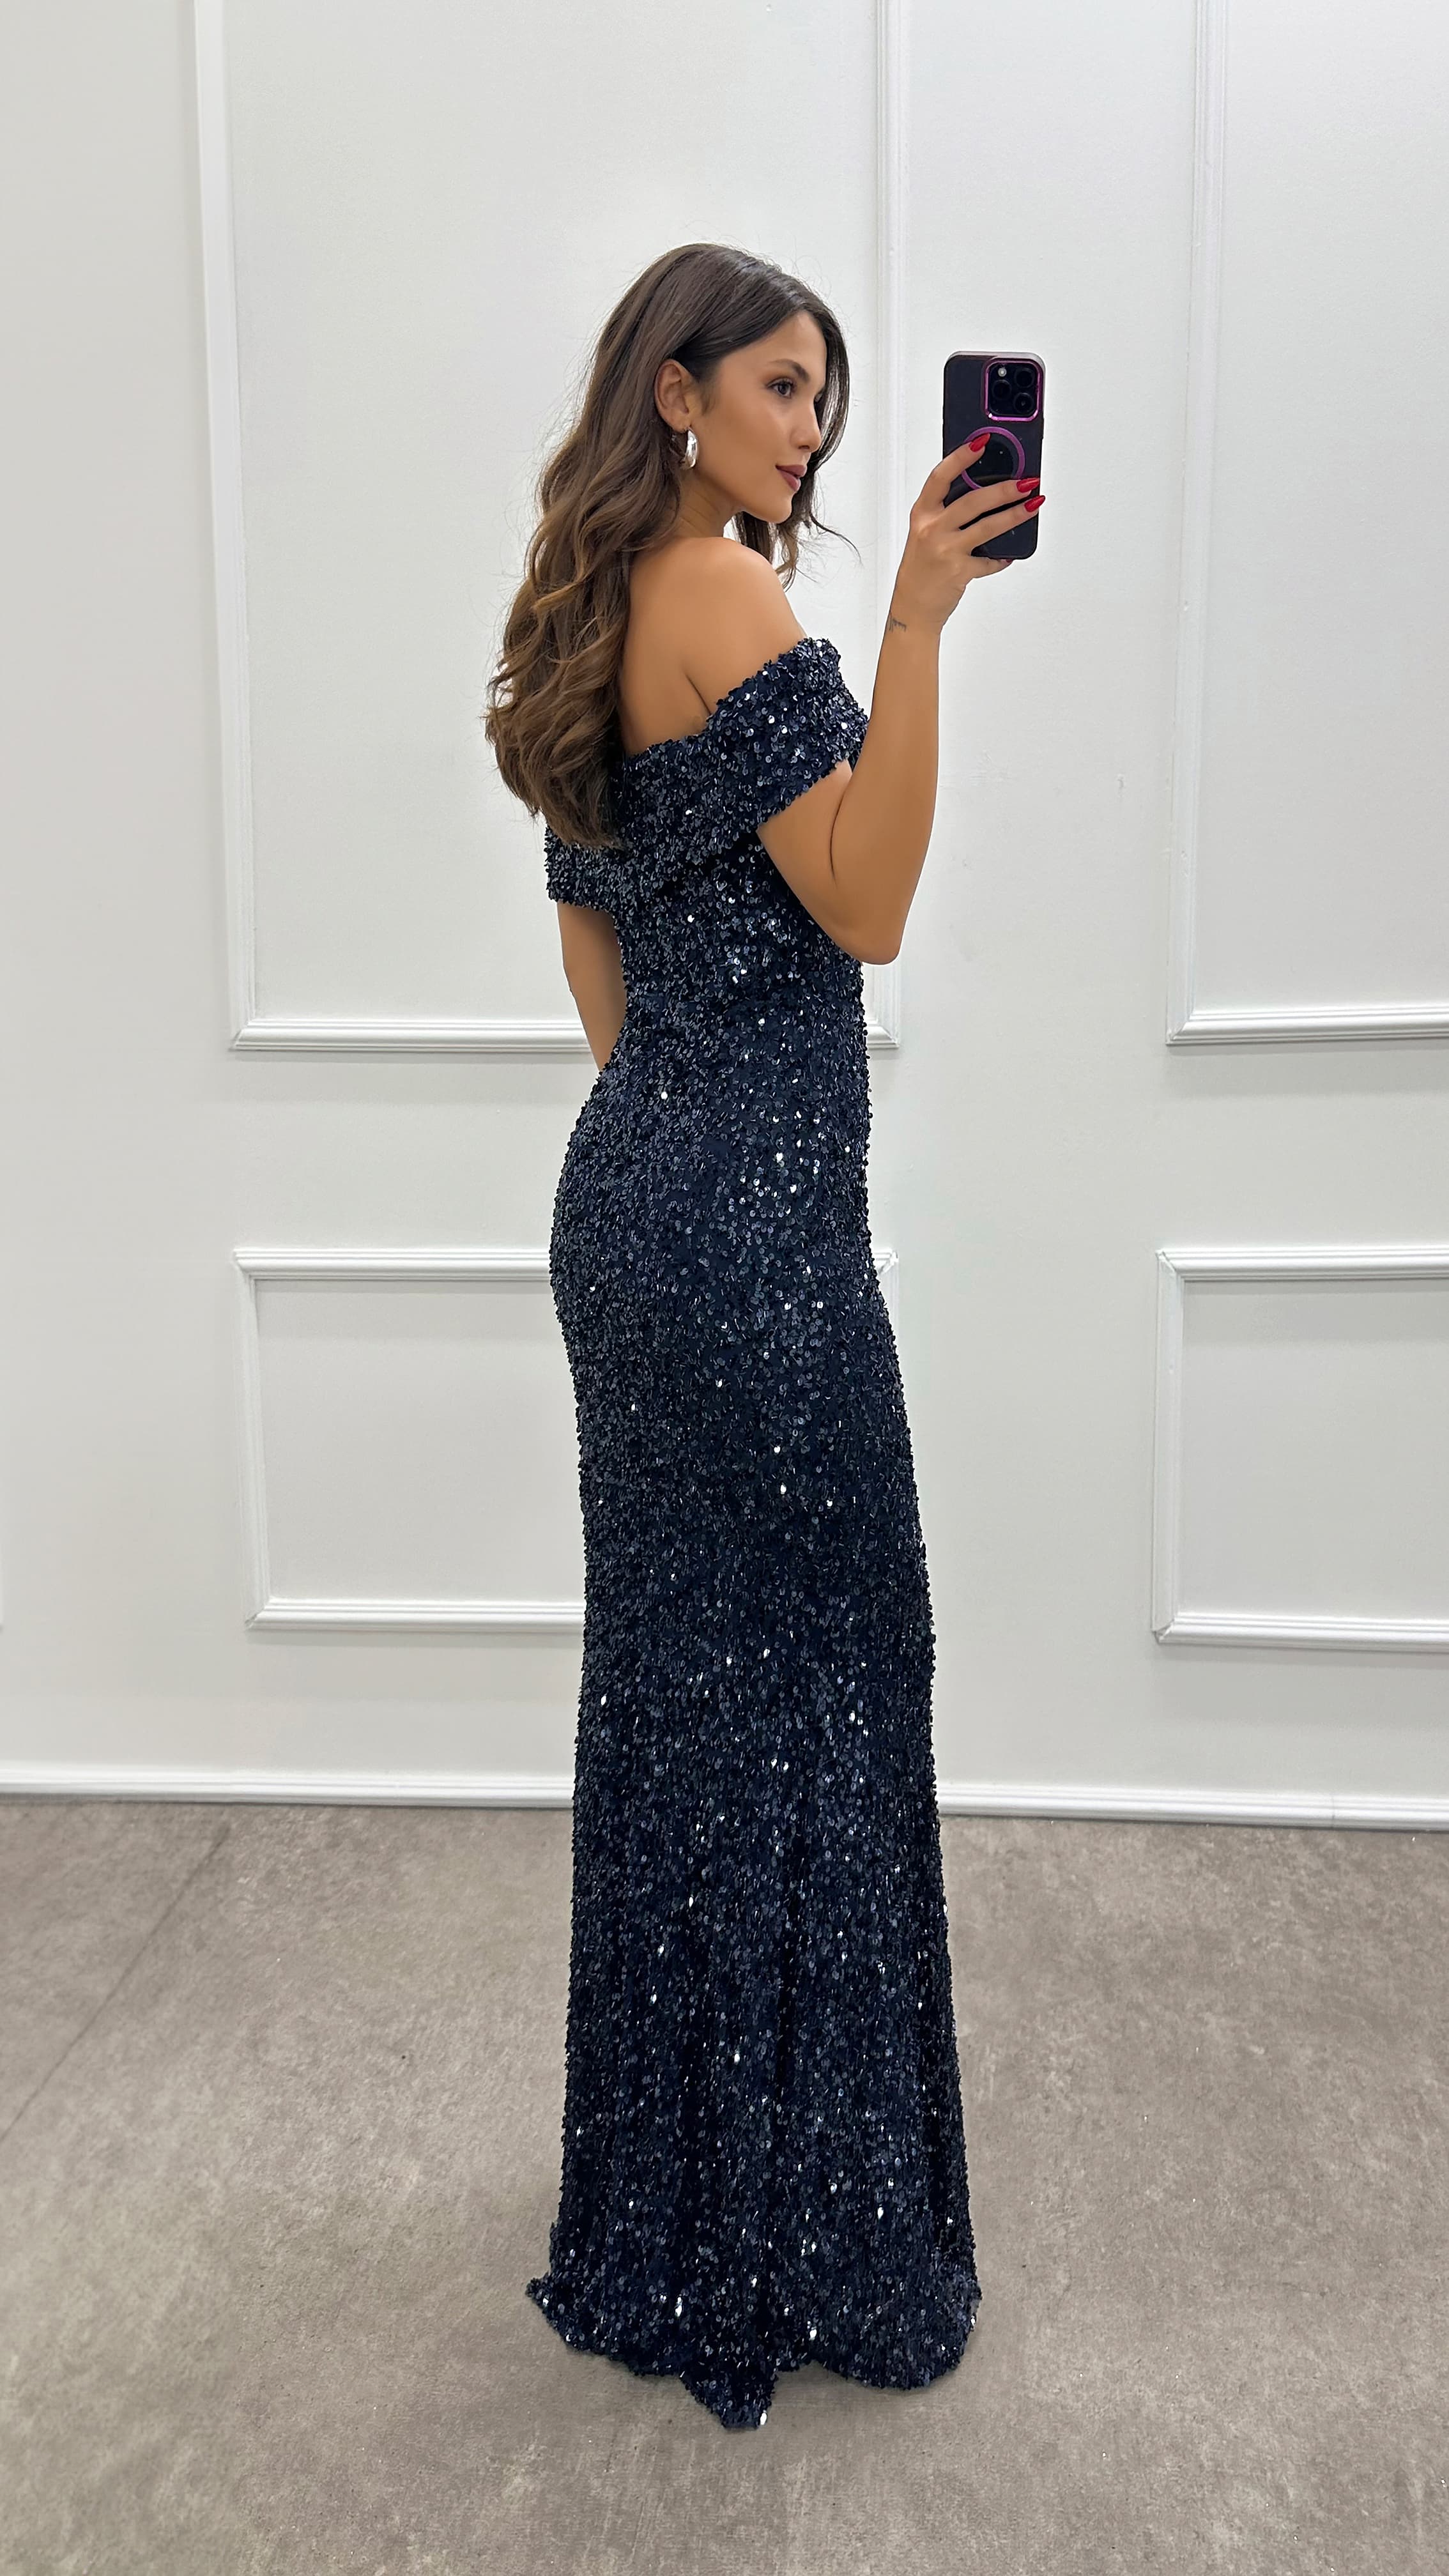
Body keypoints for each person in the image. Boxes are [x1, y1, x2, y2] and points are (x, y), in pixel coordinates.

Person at [482, 241, 1043, 2432]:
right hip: (754, 1247)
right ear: (682, 392)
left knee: (686, 1701)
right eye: (786, 387)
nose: (813, 429)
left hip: (632, 1217)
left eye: (828, 395)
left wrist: (689, 1149)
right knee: (825, 1685)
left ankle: (682, 2204)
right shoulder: (723, 589)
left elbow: (597, 968)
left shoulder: (586, 613)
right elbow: (869, 906)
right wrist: (914, 625)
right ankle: (808, 2230)